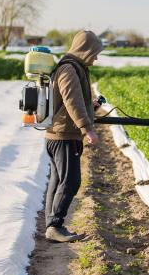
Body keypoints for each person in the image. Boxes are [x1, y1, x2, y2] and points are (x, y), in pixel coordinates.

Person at [44, 30, 104, 242]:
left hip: (57, 135)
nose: (96, 57)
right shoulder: (69, 69)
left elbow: (73, 101)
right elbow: (72, 102)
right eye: (94, 52)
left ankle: (52, 224)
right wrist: (87, 129)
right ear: (85, 50)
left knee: (58, 179)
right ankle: (55, 226)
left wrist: (92, 107)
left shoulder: (72, 67)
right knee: (70, 181)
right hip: (64, 136)